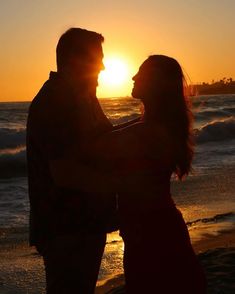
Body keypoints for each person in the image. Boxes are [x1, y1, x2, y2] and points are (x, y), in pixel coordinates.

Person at [51, 55, 206, 293]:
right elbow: (104, 137)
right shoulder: (150, 125)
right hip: (150, 233)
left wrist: (81, 96)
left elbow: (95, 148)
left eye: (141, 73)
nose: (133, 77)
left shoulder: (147, 132)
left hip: (153, 239)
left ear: (155, 83)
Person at [26, 27, 139, 294]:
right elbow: (65, 172)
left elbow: (103, 140)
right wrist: (124, 184)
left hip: (85, 223)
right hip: (65, 228)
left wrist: (145, 126)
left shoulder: (83, 96)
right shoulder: (56, 100)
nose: (102, 65)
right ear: (75, 60)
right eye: (96, 57)